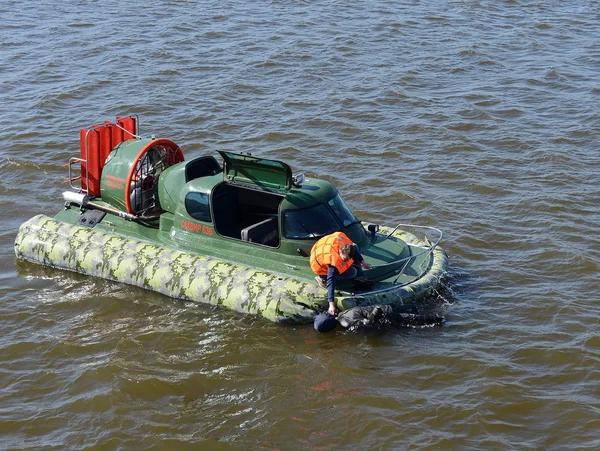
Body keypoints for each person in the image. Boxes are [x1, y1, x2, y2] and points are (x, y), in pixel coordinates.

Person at [310, 231, 373, 315]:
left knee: (355, 245)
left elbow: (354, 249)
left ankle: (360, 278)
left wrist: (363, 262)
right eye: (345, 259)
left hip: (326, 247)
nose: (347, 261)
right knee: (352, 272)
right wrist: (331, 305)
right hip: (321, 267)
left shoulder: (344, 242)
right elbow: (331, 280)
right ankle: (322, 279)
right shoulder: (333, 261)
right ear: (340, 252)